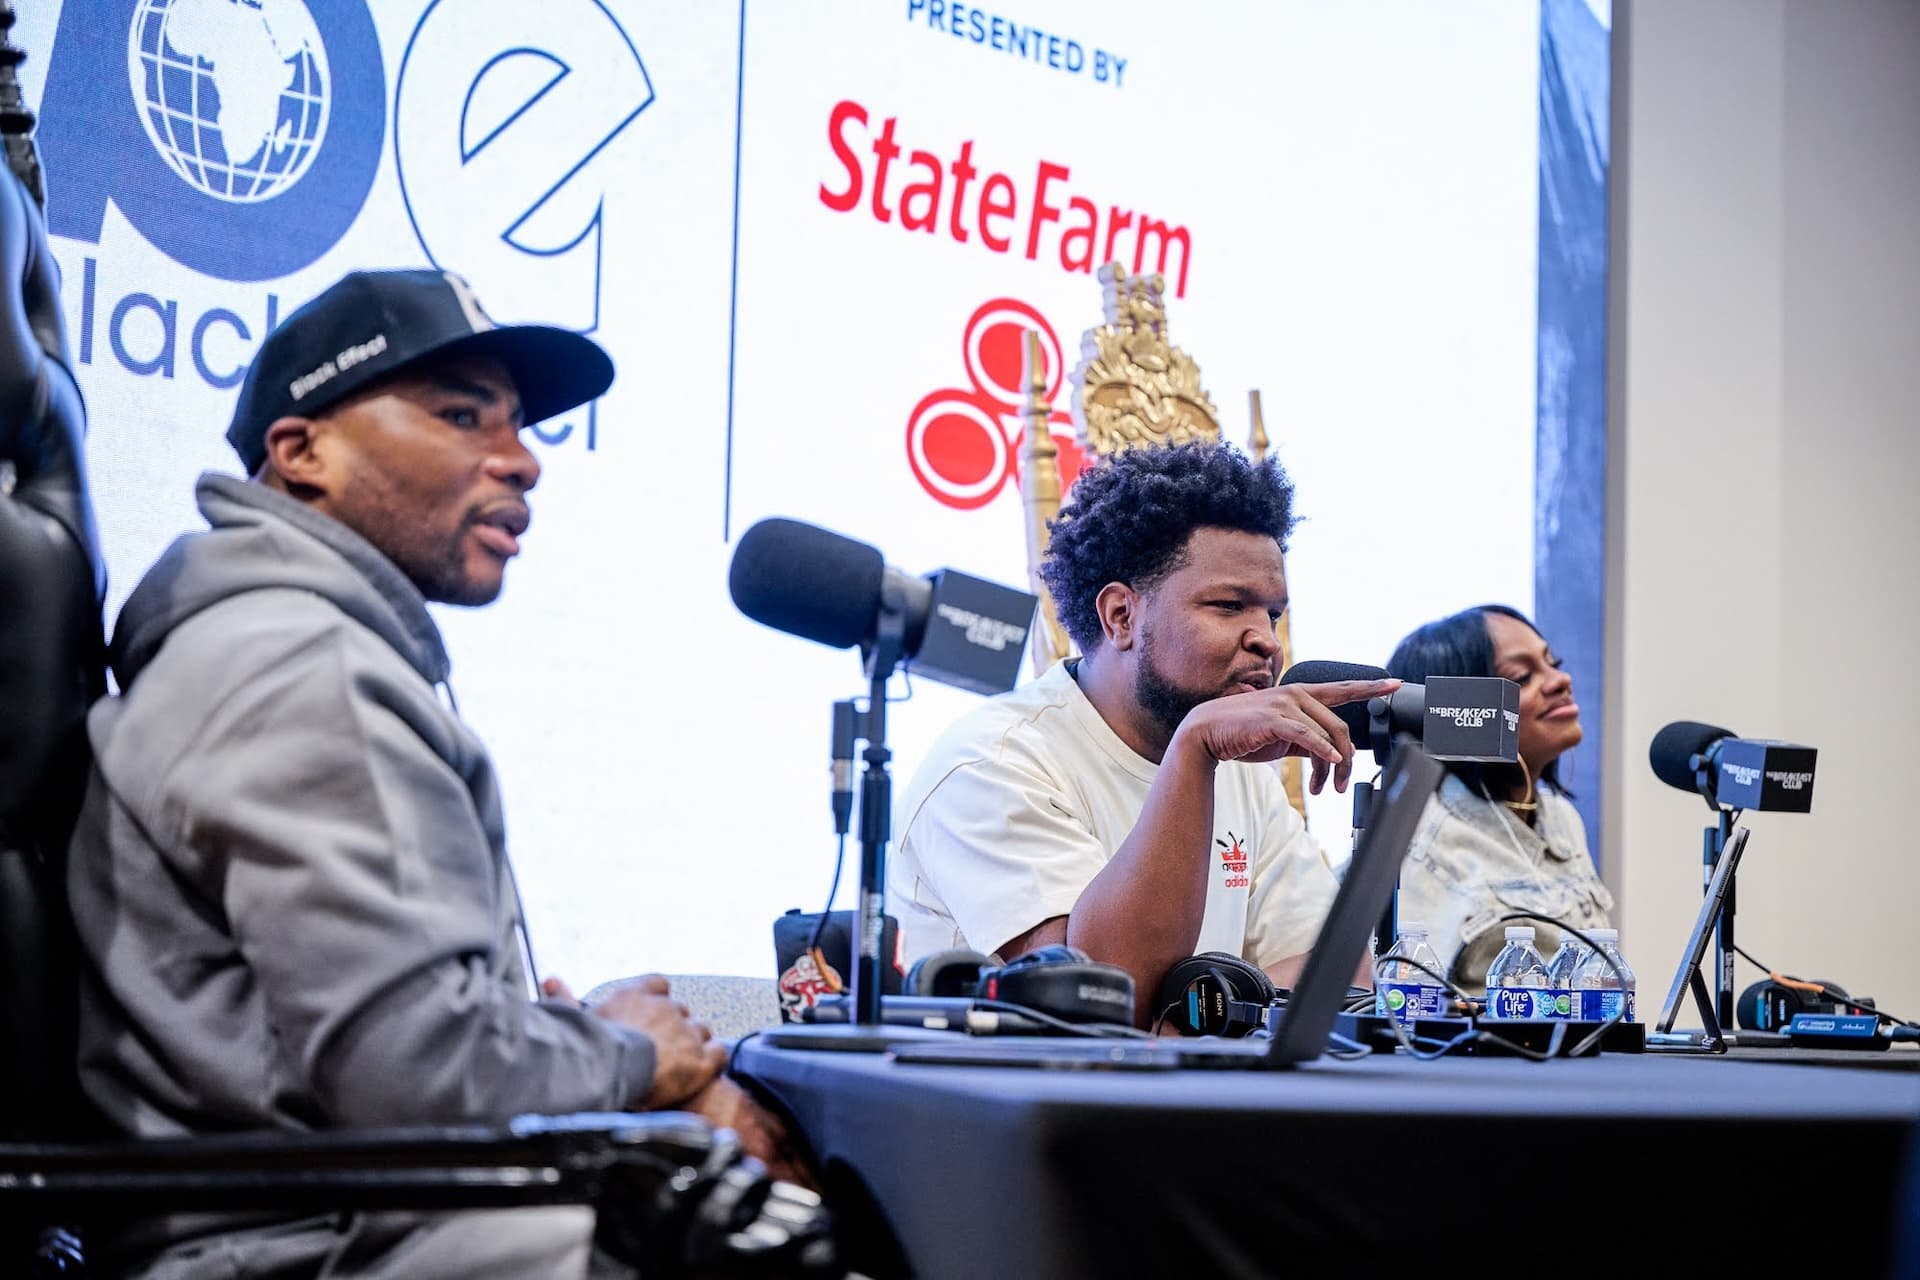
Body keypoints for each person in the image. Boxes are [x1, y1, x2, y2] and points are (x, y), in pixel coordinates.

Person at [64, 270, 793, 1279]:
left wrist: (560, 1037)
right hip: (314, 1249)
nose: (523, 461)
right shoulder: (296, 664)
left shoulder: (291, 642)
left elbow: (371, 1037)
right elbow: (414, 1071)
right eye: (460, 415)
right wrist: (628, 1056)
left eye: (519, 426)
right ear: (301, 450)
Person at [887, 442, 1399, 1025]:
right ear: (1121, 617)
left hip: (1177, 1110)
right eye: (1230, 606)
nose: (1267, 641)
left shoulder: (1238, 771)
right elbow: (1097, 1003)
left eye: (1273, 615)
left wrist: (1202, 1013)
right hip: (1011, 1110)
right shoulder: (990, 763)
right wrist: (1194, 750)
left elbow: (1343, 972)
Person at [1385, 604, 1614, 991]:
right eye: (1522, 676)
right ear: (1457, 712)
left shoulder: (1561, 817)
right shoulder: (1421, 835)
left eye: (1552, 662)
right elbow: (1411, 1006)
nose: (1561, 680)